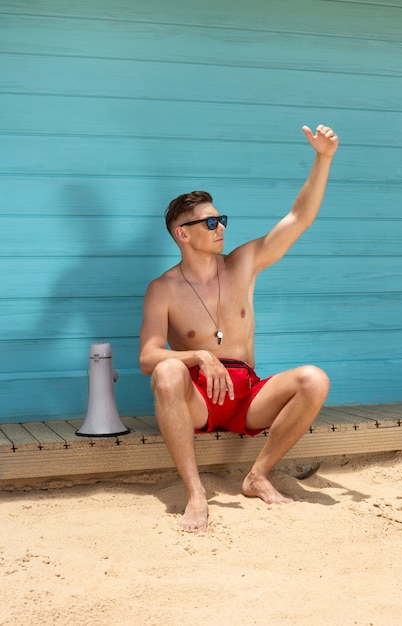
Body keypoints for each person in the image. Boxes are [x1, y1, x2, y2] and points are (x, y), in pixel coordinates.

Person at [139, 124, 338, 531]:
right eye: (210, 224)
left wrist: (323, 158)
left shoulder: (243, 264)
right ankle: (195, 491)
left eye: (221, 219)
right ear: (183, 234)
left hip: (248, 397)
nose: (221, 228)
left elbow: (298, 218)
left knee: (314, 379)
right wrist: (198, 355)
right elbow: (147, 356)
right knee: (165, 370)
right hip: (198, 398)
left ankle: (258, 474)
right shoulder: (163, 289)